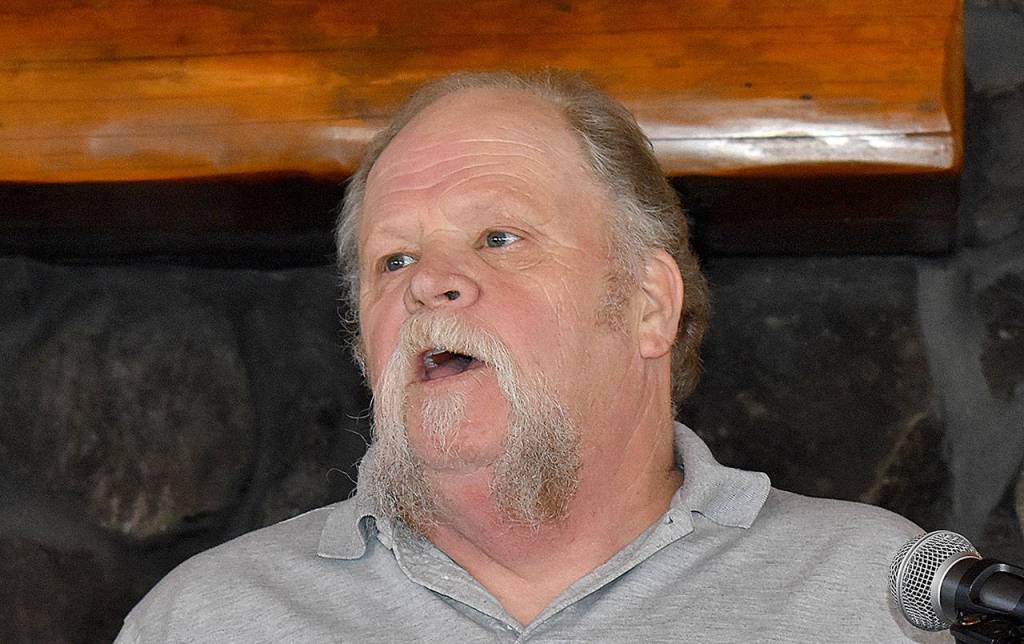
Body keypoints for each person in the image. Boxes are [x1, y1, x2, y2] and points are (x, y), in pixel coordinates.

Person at [116, 71, 945, 642]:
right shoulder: (208, 620)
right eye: (393, 260)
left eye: (498, 238)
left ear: (647, 303)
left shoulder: (878, 593)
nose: (429, 284)